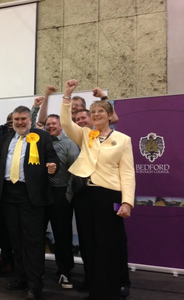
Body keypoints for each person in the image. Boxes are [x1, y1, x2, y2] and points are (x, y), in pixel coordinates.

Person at [0, 105, 60, 300]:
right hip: (8, 196)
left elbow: (52, 158)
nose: (19, 123)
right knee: (16, 241)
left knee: (33, 242)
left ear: (30, 120)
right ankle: (20, 277)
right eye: (16, 120)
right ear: (12, 122)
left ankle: (35, 285)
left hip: (32, 196)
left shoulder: (42, 137)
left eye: (23, 119)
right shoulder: (4, 140)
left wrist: (53, 165)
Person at [60, 79, 135, 300]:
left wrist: (127, 202)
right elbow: (65, 123)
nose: (97, 114)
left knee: (107, 244)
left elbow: (128, 173)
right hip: (84, 195)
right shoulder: (85, 135)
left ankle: (108, 290)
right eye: (93, 112)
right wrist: (67, 95)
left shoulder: (123, 140)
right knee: (89, 243)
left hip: (108, 195)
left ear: (110, 115)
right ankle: (94, 286)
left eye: (101, 111)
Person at [44, 114, 80, 289]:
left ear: (60, 125)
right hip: (42, 194)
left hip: (61, 194)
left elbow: (76, 171)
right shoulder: (42, 143)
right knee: (37, 233)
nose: (50, 126)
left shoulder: (69, 144)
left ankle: (65, 272)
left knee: (62, 235)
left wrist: (68, 195)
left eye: (53, 123)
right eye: (48, 124)